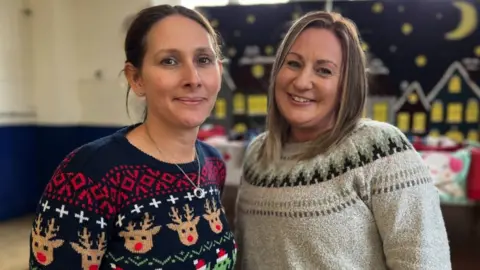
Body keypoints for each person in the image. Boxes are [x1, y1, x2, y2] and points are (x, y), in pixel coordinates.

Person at [235, 11, 451, 270]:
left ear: (347, 86)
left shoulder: (383, 150)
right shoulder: (257, 155)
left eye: (324, 70)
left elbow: (425, 262)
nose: (302, 81)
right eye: (293, 63)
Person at [29, 5, 237, 270]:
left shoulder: (212, 164)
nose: (193, 78)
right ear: (136, 78)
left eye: (203, 60)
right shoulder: (88, 174)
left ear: (219, 71)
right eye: (169, 61)